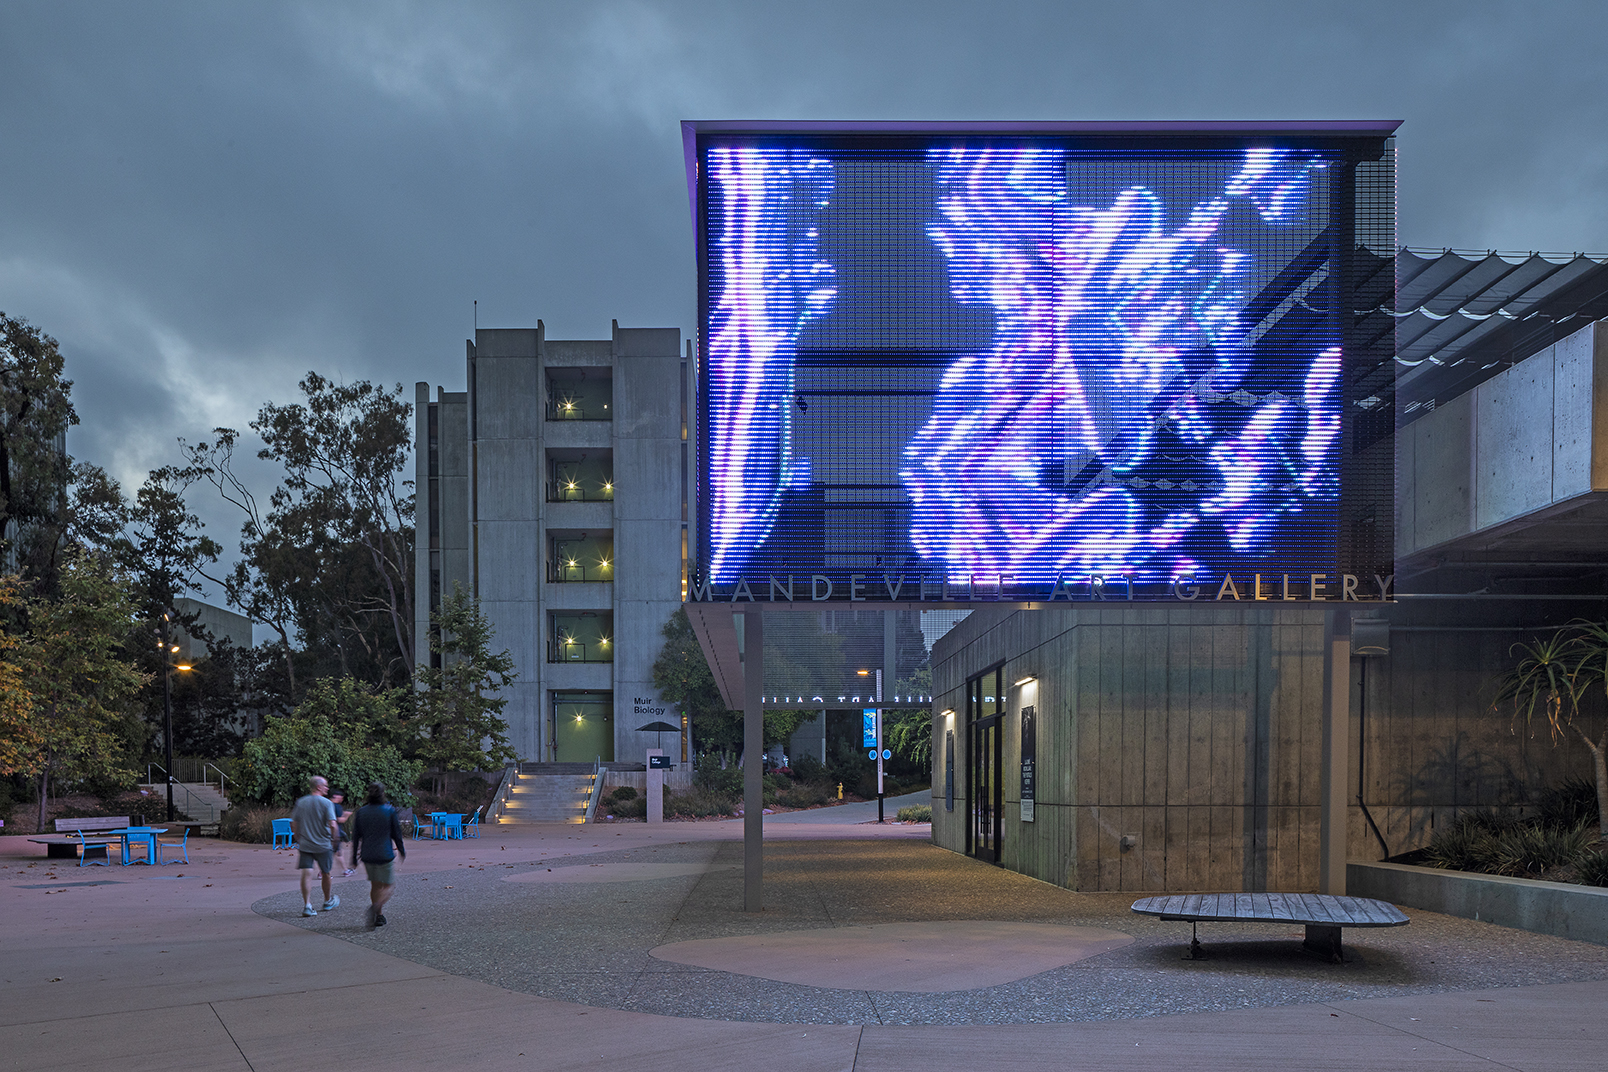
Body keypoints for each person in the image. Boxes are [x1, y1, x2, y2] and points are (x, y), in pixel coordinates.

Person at [350, 781, 406, 929]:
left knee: (375, 885)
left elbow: (356, 836)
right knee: (389, 885)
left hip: (367, 854)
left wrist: (354, 858)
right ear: (383, 794)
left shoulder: (361, 812)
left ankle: (379, 915)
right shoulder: (389, 811)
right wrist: (401, 849)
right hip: (384, 853)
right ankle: (376, 907)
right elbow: (396, 833)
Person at [290, 775, 341, 917]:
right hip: (323, 844)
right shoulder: (326, 803)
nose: (327, 788)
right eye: (325, 786)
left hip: (306, 844)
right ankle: (327, 900)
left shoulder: (301, 802)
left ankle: (307, 905)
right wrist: (335, 839)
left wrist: (298, 837)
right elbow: (332, 824)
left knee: (306, 873)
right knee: (326, 872)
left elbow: (294, 823)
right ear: (319, 787)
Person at [330, 790, 356, 876]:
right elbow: (340, 820)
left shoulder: (327, 805)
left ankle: (344, 870)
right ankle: (345, 870)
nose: (342, 799)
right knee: (337, 853)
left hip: (329, 833)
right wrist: (347, 815)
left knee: (336, 852)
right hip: (335, 833)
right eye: (340, 797)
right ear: (335, 796)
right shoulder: (337, 806)